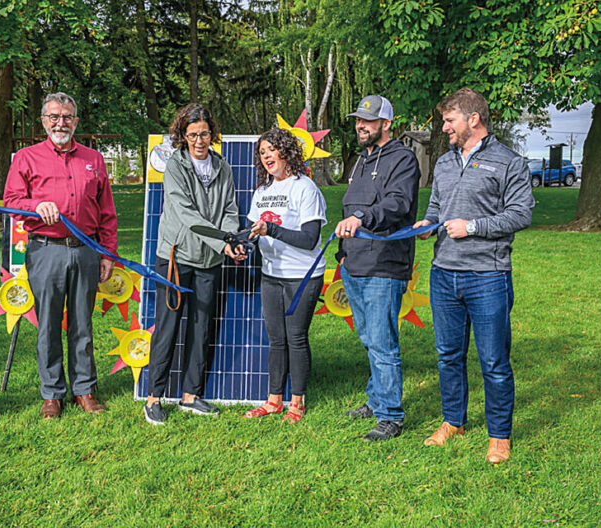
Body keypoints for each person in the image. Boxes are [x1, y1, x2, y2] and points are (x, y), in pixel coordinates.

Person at [413, 88, 534, 463]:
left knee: (494, 361)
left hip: (487, 276)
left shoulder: (510, 162)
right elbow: (437, 206)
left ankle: (499, 436)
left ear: (473, 119)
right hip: (443, 274)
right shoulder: (445, 162)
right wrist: (428, 223)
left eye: (450, 120)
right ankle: (454, 421)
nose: (444, 127)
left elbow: (521, 214)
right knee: (449, 356)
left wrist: (475, 226)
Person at [3, 92, 117, 419]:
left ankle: (84, 390)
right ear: (43, 121)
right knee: (49, 325)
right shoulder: (26, 158)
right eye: (54, 116)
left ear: (76, 121)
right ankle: (52, 393)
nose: (60, 122)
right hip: (45, 251)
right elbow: (11, 201)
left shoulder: (93, 159)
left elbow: (106, 210)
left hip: (86, 252)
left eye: (67, 117)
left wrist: (108, 253)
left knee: (82, 324)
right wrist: (35, 206)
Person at [143, 103, 243, 425]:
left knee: (202, 328)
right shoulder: (175, 166)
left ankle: (190, 396)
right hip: (175, 256)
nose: (199, 140)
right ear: (182, 137)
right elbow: (186, 214)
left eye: (204, 133)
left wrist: (230, 241)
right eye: (192, 135)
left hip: (209, 260)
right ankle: (153, 398)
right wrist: (222, 242)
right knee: (168, 328)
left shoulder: (223, 168)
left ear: (212, 133)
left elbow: (229, 209)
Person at [335, 95, 421, 442]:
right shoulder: (360, 160)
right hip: (354, 262)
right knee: (369, 337)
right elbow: (349, 209)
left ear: (386, 123)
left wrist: (363, 217)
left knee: (383, 341)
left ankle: (390, 416)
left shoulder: (403, 159)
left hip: (384, 264)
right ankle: (377, 399)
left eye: (368, 121)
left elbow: (397, 205)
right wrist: (342, 254)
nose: (361, 125)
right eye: (358, 120)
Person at [242, 128, 326, 423]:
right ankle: (274, 400)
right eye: (262, 152)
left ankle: (297, 402)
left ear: (286, 152)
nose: (266, 156)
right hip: (272, 275)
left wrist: (271, 229)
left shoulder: (305, 188)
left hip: (302, 276)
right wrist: (242, 245)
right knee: (276, 339)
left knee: (296, 337)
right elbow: (253, 231)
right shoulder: (262, 192)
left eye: (271, 149)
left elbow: (310, 239)